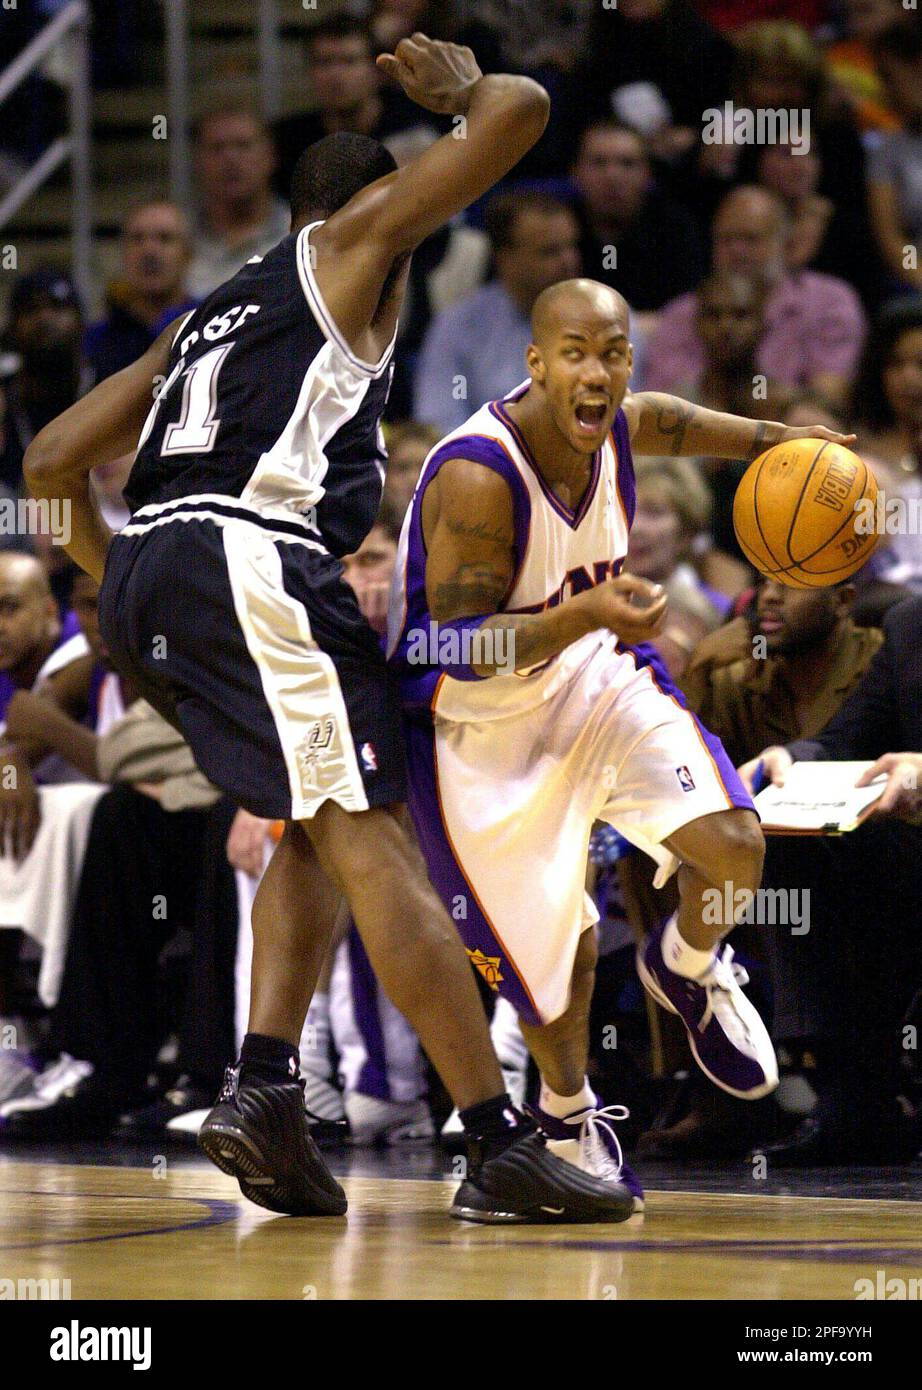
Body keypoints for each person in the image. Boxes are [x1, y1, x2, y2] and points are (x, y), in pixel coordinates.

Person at [25, 35, 634, 1225]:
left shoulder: (201, 319)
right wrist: (462, 93)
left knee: (310, 821)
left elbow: (50, 460)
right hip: (254, 554)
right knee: (373, 833)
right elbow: (520, 111)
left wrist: (132, 578)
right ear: (369, 211)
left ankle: (261, 1088)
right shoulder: (347, 247)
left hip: (164, 569)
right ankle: (494, 1136)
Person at [387, 276, 856, 1203]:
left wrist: (776, 440)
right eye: (575, 354)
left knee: (733, 844)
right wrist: (581, 612)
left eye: (614, 352)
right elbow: (445, 643)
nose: (597, 373)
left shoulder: (623, 421)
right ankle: (565, 1119)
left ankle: (684, 965)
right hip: (482, 730)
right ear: (535, 362)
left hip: (595, 680)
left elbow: (670, 421)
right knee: (557, 965)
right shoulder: (482, 474)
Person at [738, 595, 922, 1163]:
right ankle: (850, 1094)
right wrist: (788, 761)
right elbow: (847, 739)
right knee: (797, 841)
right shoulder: (910, 622)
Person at [646, 187, 867, 406]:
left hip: (797, 435)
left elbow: (828, 399)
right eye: (727, 239)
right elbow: (661, 406)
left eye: (751, 239)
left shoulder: (830, 302)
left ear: (785, 243)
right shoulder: (683, 312)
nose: (737, 251)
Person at [414, 192, 583, 433]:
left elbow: (626, 419)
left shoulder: (606, 319)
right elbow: (440, 423)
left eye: (571, 247)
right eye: (549, 252)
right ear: (505, 258)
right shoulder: (457, 327)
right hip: (486, 462)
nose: (569, 262)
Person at [570, 120, 705, 312]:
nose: (612, 176)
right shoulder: (555, 231)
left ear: (647, 173)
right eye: (599, 163)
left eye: (627, 164)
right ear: (575, 173)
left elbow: (685, 313)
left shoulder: (675, 230)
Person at [187, 107, 291, 300]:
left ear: (271, 156)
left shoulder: (301, 235)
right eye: (217, 148)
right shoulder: (176, 238)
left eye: (243, 145)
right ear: (198, 161)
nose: (230, 159)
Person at [86, 202, 197, 382]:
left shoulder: (210, 325)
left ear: (188, 253)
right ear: (123, 254)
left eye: (165, 238)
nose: (149, 251)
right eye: (137, 239)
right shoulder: (96, 341)